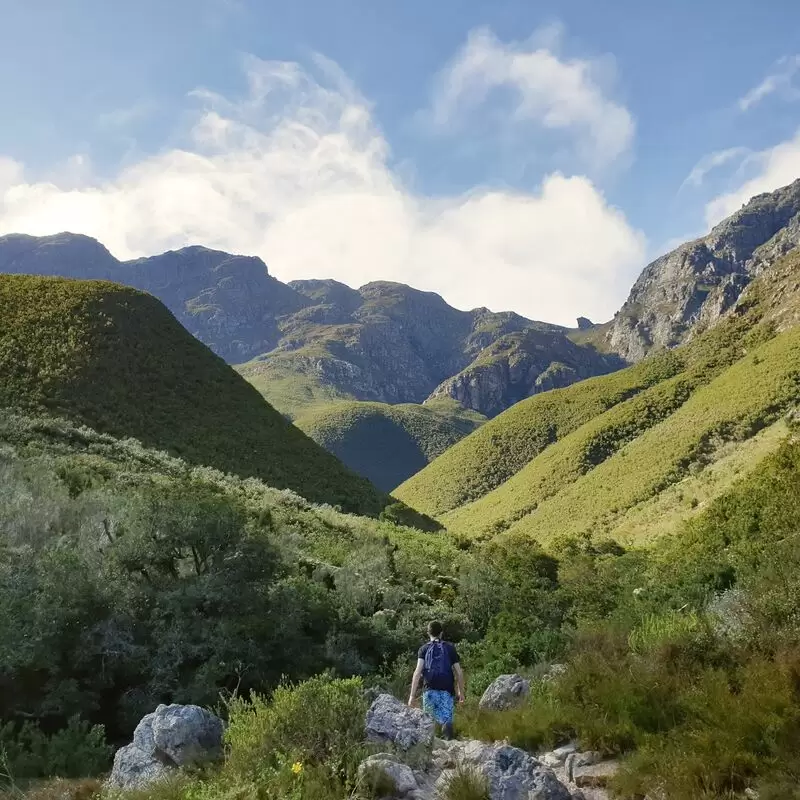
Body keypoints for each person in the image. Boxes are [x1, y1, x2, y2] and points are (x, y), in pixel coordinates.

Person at [407, 620, 465, 740]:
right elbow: (459, 672)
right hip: (446, 690)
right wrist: (461, 692)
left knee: (428, 723)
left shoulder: (423, 649)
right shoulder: (450, 648)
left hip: (429, 690)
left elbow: (417, 672)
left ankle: (429, 752)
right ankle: (448, 747)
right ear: (441, 633)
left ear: (428, 633)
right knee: (446, 721)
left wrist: (412, 696)